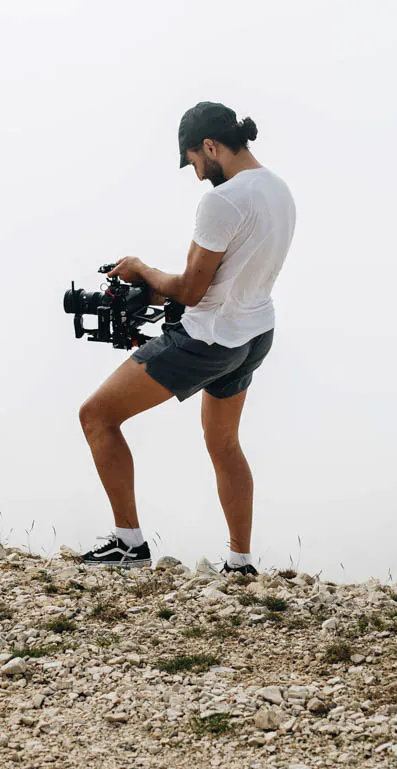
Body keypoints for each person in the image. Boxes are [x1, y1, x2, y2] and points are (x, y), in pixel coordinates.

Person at [76, 102, 297, 575]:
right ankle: (240, 562)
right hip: (254, 333)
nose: (197, 175)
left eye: (195, 161)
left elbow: (193, 291)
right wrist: (158, 290)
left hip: (209, 340)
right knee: (224, 443)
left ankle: (128, 544)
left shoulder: (223, 200)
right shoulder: (279, 190)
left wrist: (142, 270)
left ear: (212, 147)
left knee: (96, 416)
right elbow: (228, 277)